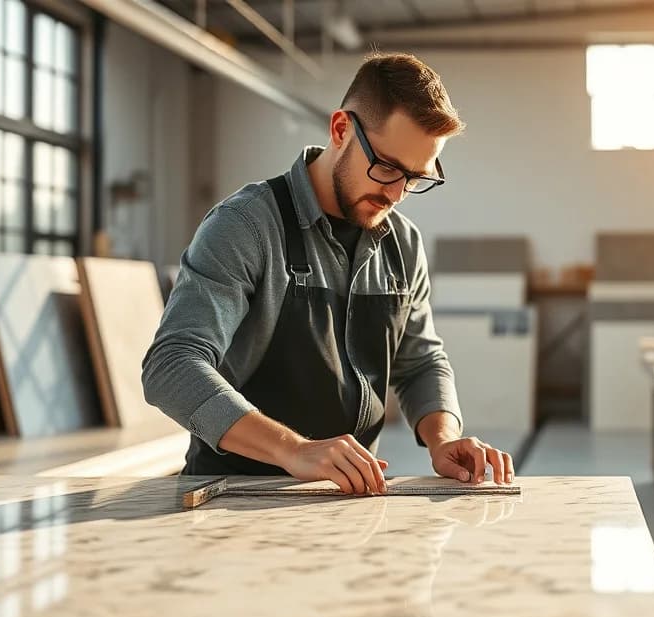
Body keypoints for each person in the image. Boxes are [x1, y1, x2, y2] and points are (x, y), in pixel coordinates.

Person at [142, 53, 514, 494]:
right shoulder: (246, 226)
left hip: (343, 498)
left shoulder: (403, 244)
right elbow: (171, 366)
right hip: (233, 494)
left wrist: (443, 439)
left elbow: (420, 362)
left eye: (414, 178)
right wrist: (293, 449)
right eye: (388, 168)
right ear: (340, 129)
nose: (396, 194)